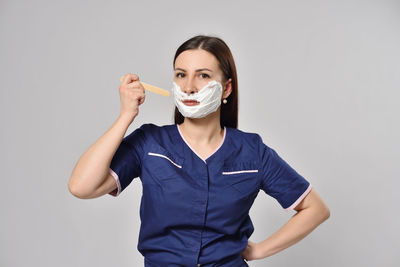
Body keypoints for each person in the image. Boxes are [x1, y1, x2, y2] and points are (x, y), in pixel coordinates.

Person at [68, 35, 330, 266]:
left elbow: (315, 209)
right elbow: (81, 186)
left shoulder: (252, 152)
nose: (189, 86)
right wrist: (126, 115)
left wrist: (259, 250)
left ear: (226, 88)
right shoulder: (150, 143)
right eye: (181, 74)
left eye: (203, 75)